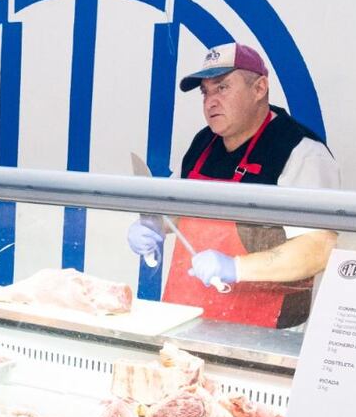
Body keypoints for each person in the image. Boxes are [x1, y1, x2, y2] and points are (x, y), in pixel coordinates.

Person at [127, 42, 340, 328]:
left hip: (260, 332)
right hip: (186, 318)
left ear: (259, 88)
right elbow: (174, 211)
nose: (210, 101)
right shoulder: (203, 143)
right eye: (206, 92)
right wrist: (152, 225)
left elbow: (317, 249)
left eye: (222, 88)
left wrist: (236, 267)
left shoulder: (300, 151)